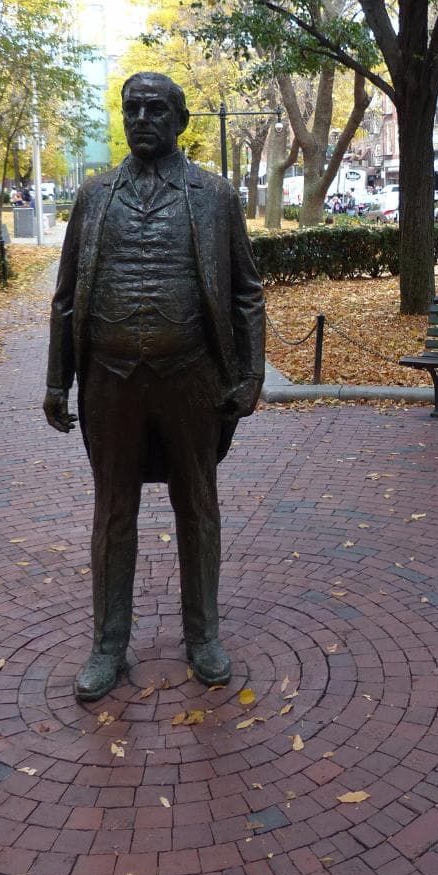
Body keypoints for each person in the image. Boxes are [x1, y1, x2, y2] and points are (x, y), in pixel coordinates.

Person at [44, 72, 266, 701]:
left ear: (179, 118)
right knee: (113, 512)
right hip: (110, 381)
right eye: (131, 108)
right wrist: (59, 379)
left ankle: (204, 636)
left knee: (197, 504)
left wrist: (249, 375)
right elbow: (65, 299)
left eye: (155, 108)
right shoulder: (94, 197)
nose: (141, 118)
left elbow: (247, 294)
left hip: (190, 377)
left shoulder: (214, 196)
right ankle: (108, 645)